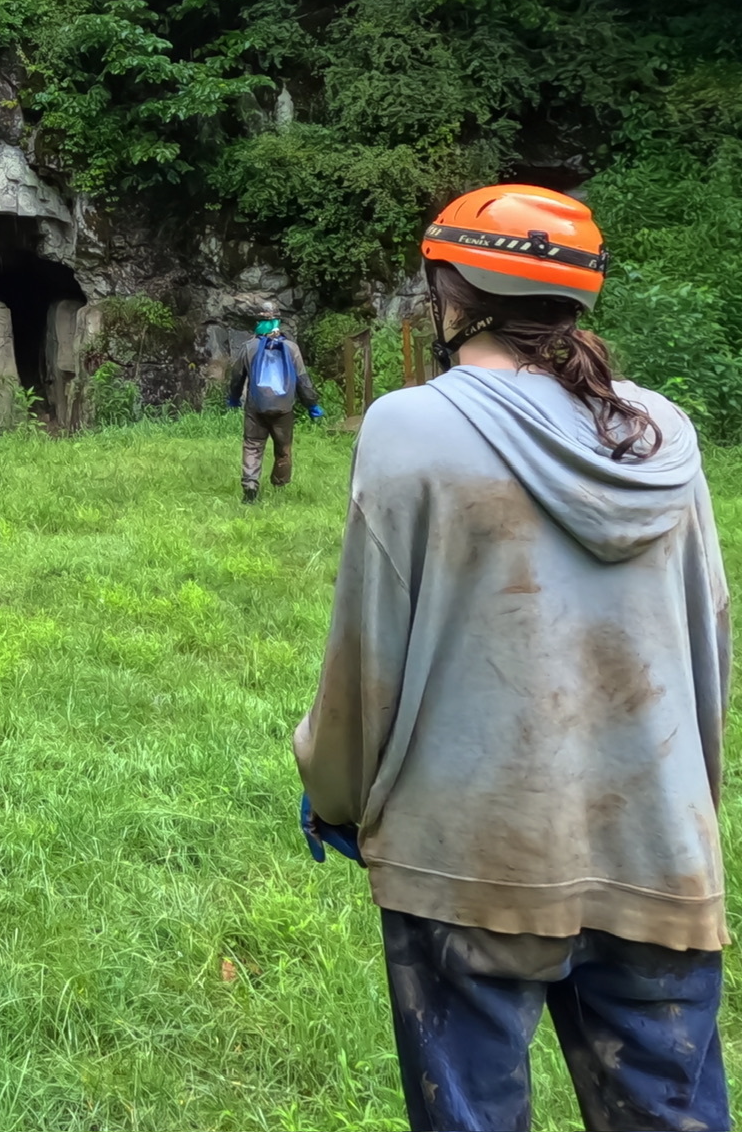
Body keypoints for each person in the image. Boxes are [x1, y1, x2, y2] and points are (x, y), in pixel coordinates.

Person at [295, 184, 729, 1132]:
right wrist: (694, 806)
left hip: (466, 857)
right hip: (660, 847)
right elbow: (708, 637)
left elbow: (366, 662)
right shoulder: (665, 436)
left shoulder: (412, 425)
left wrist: (331, 793)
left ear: (451, 286)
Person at [225, 299, 323, 503]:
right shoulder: (291, 348)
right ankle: (280, 483)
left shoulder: (249, 348)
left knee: (253, 444)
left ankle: (250, 485)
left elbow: (237, 378)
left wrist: (233, 399)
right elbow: (302, 381)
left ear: (258, 322)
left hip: (256, 407)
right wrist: (312, 405)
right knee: (283, 447)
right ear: (278, 321)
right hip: (284, 408)